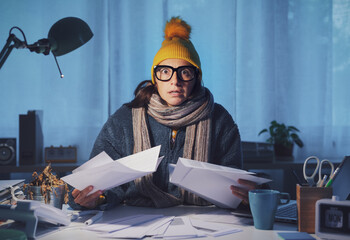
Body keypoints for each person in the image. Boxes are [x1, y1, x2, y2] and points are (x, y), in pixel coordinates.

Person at [68, 17, 257, 211]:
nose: (175, 81)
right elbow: (100, 184)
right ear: (155, 77)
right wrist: (93, 198)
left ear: (196, 77)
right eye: (165, 71)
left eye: (184, 72)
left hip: (204, 221)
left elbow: (235, 186)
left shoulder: (219, 119)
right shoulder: (124, 119)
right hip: (135, 219)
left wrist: (251, 197)